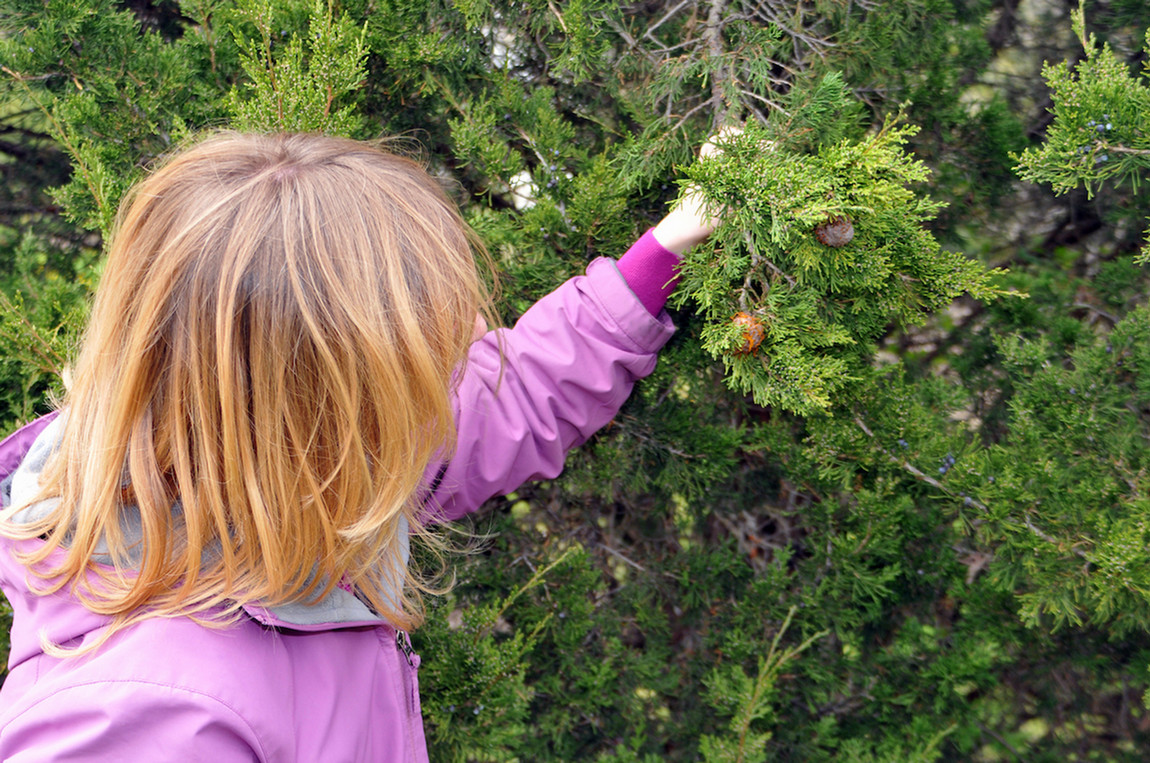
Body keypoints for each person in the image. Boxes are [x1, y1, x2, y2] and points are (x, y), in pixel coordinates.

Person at [0, 131, 718, 761]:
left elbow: (500, 404)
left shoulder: (292, 480)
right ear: (314, 411)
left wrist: (659, 260)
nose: (472, 332)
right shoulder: (140, 719)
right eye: (419, 349)